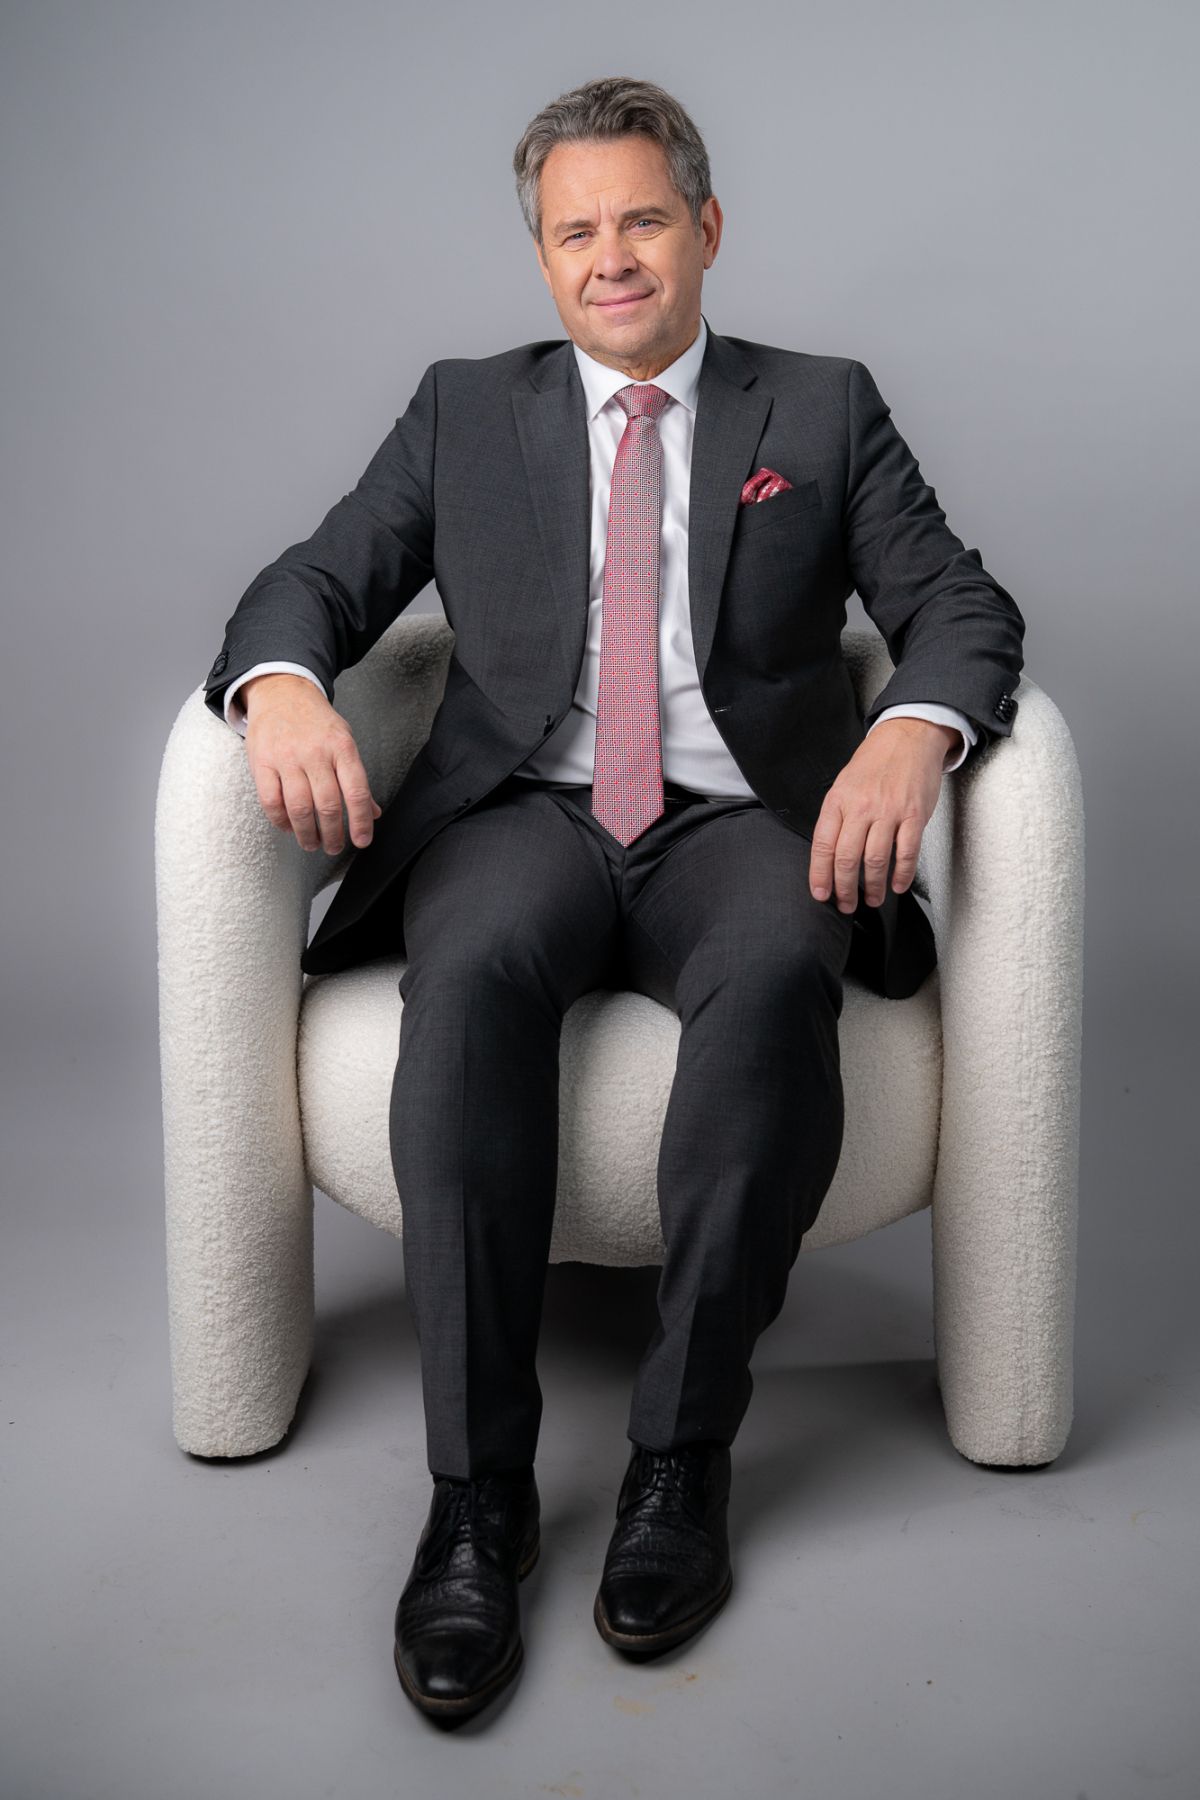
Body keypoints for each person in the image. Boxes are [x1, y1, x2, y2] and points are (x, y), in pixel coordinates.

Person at [203, 75, 1024, 1723]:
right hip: (529, 812)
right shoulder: (464, 410)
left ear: (706, 229)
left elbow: (959, 603)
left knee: (776, 985)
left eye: (643, 219)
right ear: (543, 258)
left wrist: (909, 734)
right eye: (576, 231)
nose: (612, 257)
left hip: (743, 824)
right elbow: (314, 578)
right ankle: (475, 1499)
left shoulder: (820, 408)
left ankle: (677, 1459)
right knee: (468, 986)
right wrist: (280, 686)